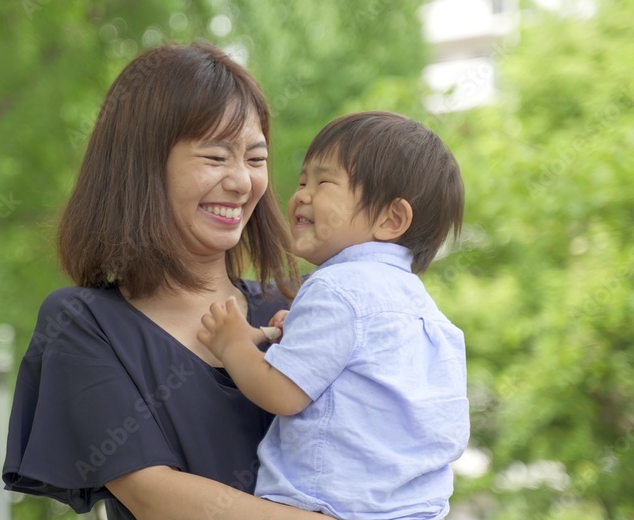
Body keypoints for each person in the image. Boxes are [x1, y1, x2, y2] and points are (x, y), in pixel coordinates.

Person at [2, 42, 323, 520]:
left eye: (255, 160)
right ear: (143, 166)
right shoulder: (86, 323)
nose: (241, 181)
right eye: (216, 157)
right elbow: (155, 495)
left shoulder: (298, 307)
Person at [198, 111, 470, 519]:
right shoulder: (424, 311)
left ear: (391, 219)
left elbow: (281, 394)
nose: (301, 195)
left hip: (328, 506)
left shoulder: (336, 288)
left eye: (324, 182)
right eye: (303, 180)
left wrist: (233, 344)